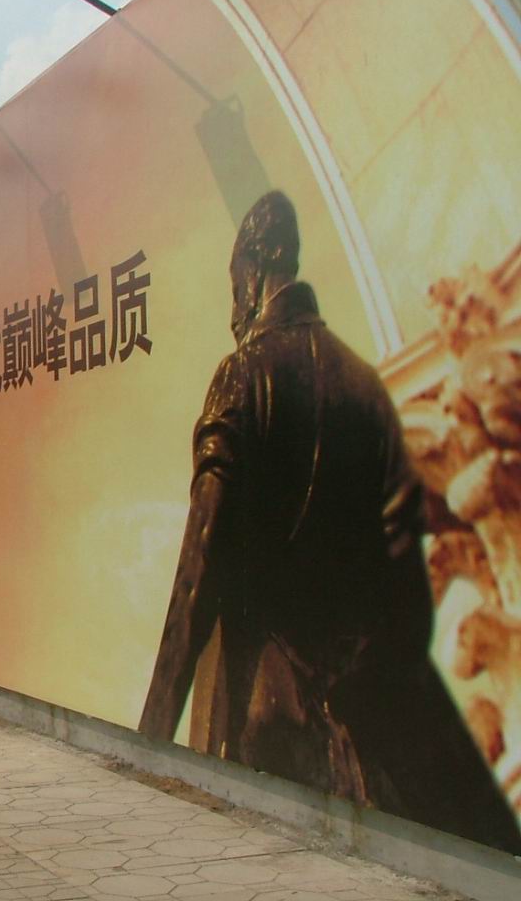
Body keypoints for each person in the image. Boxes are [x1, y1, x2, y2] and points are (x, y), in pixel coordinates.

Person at [138, 191, 521, 853]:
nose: (235, 305)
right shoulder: (366, 387)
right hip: (356, 745)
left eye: (237, 280)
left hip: (262, 723)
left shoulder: (241, 374)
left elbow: (200, 567)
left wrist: (149, 739)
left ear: (261, 264)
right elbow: (403, 601)